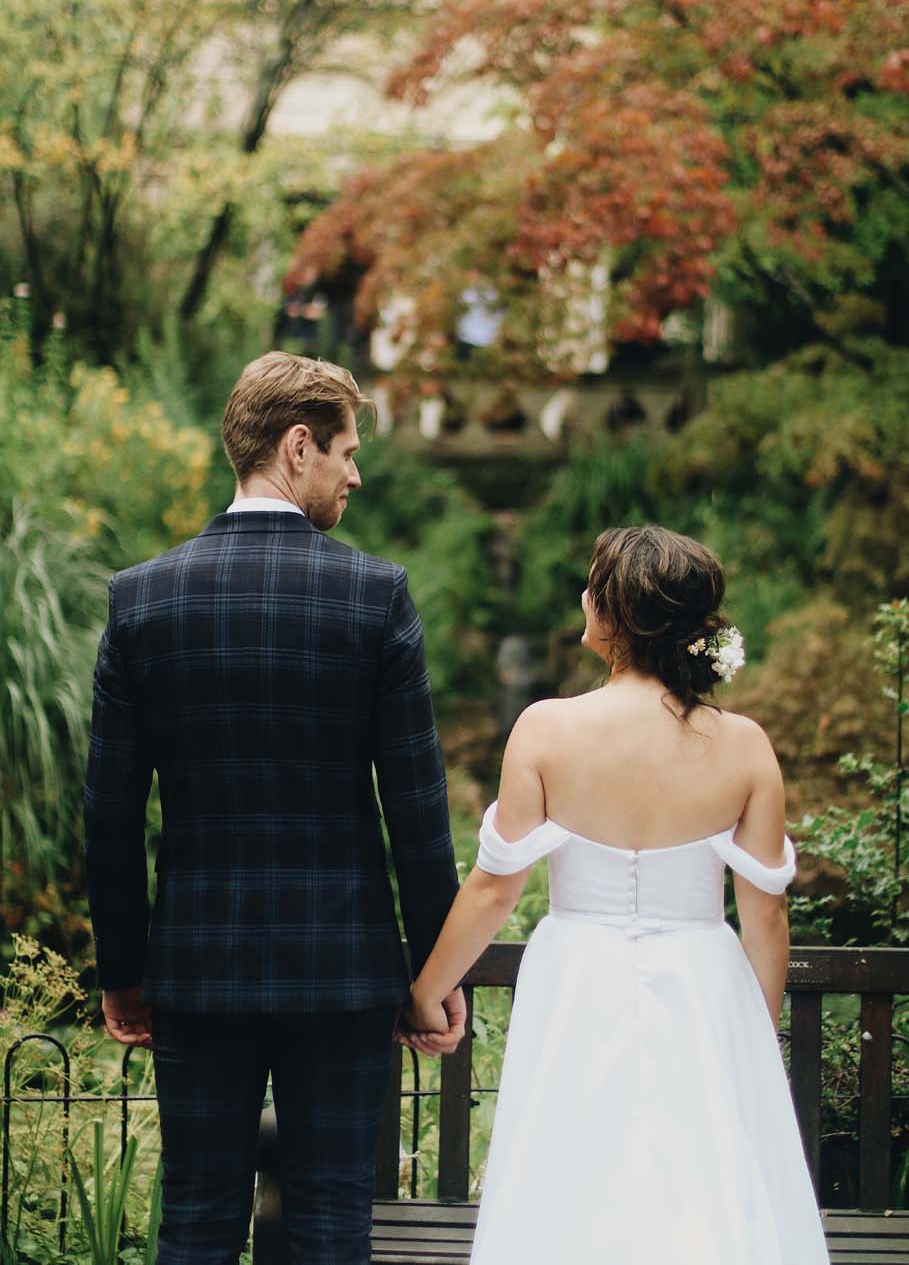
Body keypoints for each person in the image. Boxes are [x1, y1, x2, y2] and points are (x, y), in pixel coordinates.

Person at [83, 351, 465, 1265]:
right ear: (298, 448)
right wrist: (433, 972)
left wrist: (123, 969)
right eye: (345, 452)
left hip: (196, 970)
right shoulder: (377, 596)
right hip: (343, 975)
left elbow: (109, 813)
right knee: (335, 1223)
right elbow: (416, 806)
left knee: (197, 1218)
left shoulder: (141, 602)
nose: (355, 473)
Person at [403, 524, 829, 1264]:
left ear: (611, 615)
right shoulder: (744, 744)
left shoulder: (544, 727)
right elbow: (764, 911)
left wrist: (426, 990)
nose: (581, 597)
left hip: (578, 976)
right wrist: (748, 1040)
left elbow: (496, 888)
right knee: (707, 1188)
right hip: (705, 980)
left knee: (571, 1172)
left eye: (591, 586)